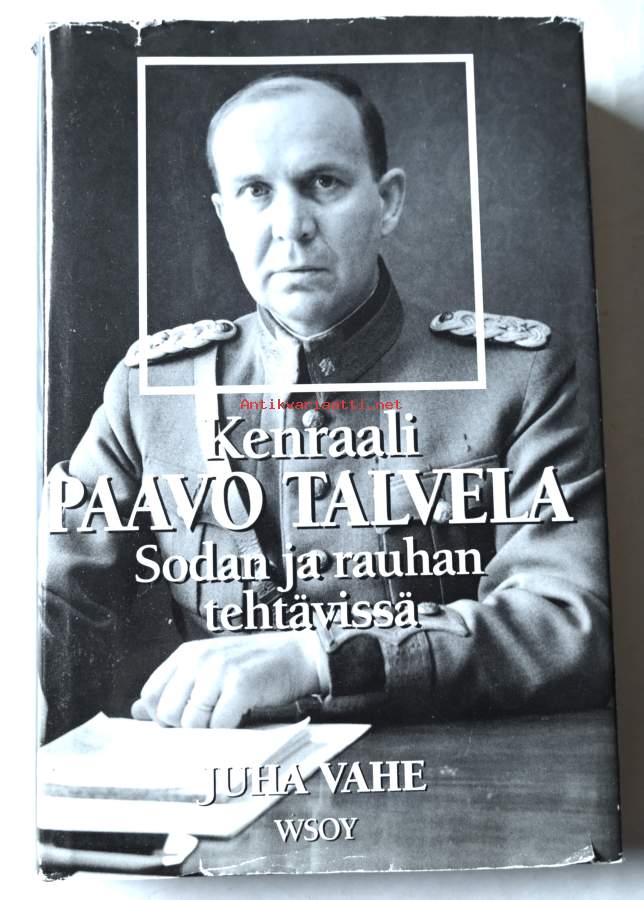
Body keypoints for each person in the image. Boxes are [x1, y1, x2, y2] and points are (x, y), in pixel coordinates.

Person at [41, 72, 612, 738]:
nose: (291, 227)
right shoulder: (148, 391)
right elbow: (55, 601)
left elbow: (569, 622)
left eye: (323, 183)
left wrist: (319, 659)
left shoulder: (514, 376)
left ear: (387, 203)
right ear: (225, 219)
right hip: (220, 784)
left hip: (443, 780)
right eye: (256, 192)